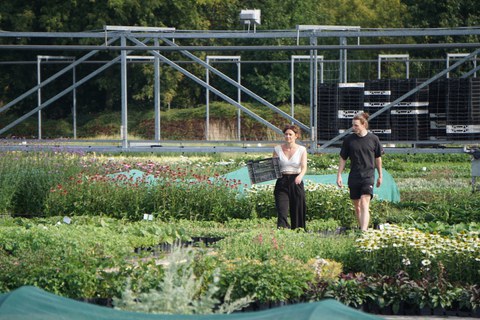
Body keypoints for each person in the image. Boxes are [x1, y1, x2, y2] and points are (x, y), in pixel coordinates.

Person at [336, 112, 383, 231]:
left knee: (364, 203)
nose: (353, 127)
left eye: (356, 125)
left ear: (364, 125)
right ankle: (362, 227)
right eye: (353, 125)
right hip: (354, 176)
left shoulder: (373, 139)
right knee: (357, 207)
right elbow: (343, 158)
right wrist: (339, 175)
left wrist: (380, 175)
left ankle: (364, 232)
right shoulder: (349, 140)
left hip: (368, 176)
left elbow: (378, 158)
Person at [273, 124, 307, 230]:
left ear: (296, 136)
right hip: (282, 180)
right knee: (282, 209)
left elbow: (304, 167)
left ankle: (298, 231)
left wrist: (300, 176)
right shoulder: (277, 149)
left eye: (290, 134)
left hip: (296, 180)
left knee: (297, 209)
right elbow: (274, 166)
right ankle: (282, 231)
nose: (288, 136)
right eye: (286, 134)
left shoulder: (301, 149)